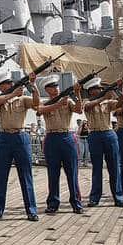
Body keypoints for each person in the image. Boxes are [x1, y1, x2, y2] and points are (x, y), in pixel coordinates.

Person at [0, 71, 40, 222]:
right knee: (1, 176)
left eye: (12, 83)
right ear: (1, 87)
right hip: (4, 137)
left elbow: (36, 104)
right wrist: (11, 94)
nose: (11, 85)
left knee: (26, 175)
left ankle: (31, 210)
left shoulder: (23, 99)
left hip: (20, 136)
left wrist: (34, 86)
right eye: (8, 84)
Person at [35, 74, 84, 214]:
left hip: (67, 135)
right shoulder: (45, 101)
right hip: (51, 137)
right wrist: (58, 104)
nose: (55, 88)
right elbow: (39, 111)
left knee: (72, 172)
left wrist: (77, 93)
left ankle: (76, 202)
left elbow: (79, 110)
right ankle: (53, 203)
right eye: (51, 87)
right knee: (53, 173)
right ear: (46, 89)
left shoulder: (67, 101)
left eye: (56, 85)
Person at [83, 78, 123, 208]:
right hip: (95, 134)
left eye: (101, 89)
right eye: (98, 89)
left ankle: (118, 197)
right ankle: (95, 197)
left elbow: (119, 104)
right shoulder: (88, 102)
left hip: (108, 133)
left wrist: (120, 90)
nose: (100, 90)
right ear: (91, 91)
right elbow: (88, 107)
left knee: (114, 167)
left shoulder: (107, 102)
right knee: (97, 168)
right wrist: (103, 98)